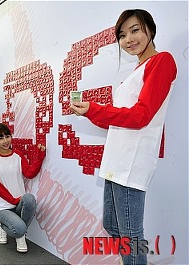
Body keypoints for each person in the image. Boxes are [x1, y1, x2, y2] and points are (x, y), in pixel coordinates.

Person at [70, 9, 177, 265]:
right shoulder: (136, 71)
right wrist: (90, 112)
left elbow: (141, 116)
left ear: (150, 30)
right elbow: (120, 119)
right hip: (115, 161)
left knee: (130, 235)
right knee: (112, 225)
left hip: (132, 162)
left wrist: (95, 110)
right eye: (122, 34)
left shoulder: (162, 61)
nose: (128, 38)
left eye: (135, 30)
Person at [0, 123, 46, 253]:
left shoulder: (17, 155)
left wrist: (40, 156)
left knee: (29, 198)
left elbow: (29, 173)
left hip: (18, 204)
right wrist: (12, 200)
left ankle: (20, 235)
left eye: (7, 136)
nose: (5, 141)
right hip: (2, 207)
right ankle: (6, 227)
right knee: (19, 229)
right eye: (0, 138)